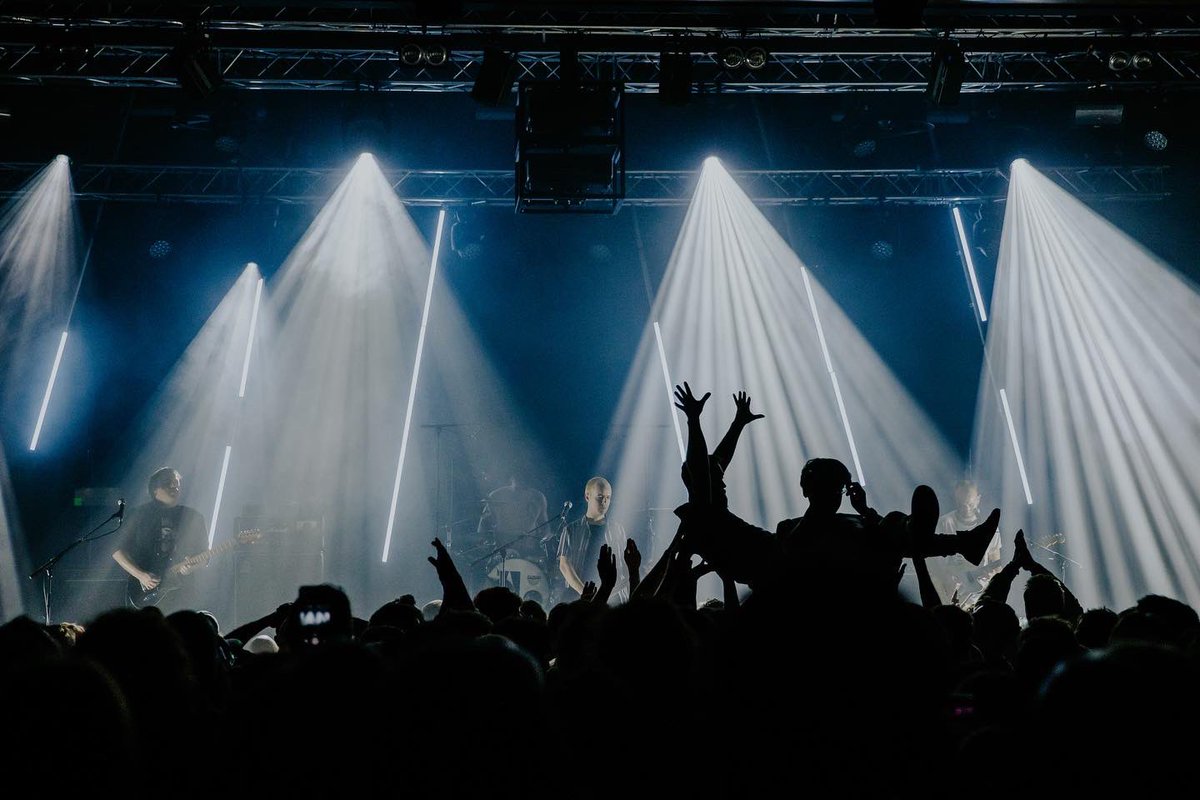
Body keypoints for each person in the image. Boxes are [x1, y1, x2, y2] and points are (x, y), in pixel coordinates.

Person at [111, 467, 207, 611]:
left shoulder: (193, 517)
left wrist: (192, 567)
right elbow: (116, 551)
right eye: (168, 482)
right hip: (144, 593)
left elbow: (204, 556)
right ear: (155, 489)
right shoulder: (138, 515)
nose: (174, 486)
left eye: (177, 483)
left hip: (181, 593)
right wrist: (141, 576)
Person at [557, 476, 629, 600]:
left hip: (614, 599)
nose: (604, 501)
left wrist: (607, 593)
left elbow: (625, 567)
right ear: (587, 496)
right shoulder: (570, 530)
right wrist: (584, 592)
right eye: (600, 497)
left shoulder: (618, 530)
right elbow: (564, 565)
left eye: (608, 497)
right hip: (579, 598)